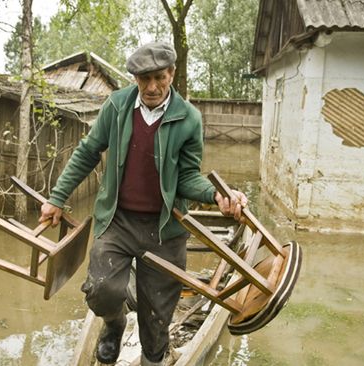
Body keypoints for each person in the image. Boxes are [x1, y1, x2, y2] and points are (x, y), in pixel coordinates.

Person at [39, 42, 248, 366]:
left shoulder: (189, 118)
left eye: (159, 78)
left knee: (157, 313)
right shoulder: (117, 106)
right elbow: (87, 152)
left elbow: (188, 176)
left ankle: (153, 358)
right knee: (101, 289)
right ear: (134, 77)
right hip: (117, 221)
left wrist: (215, 194)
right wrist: (57, 198)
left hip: (165, 228)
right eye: (143, 79)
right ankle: (114, 323)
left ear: (172, 74)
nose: (152, 87)